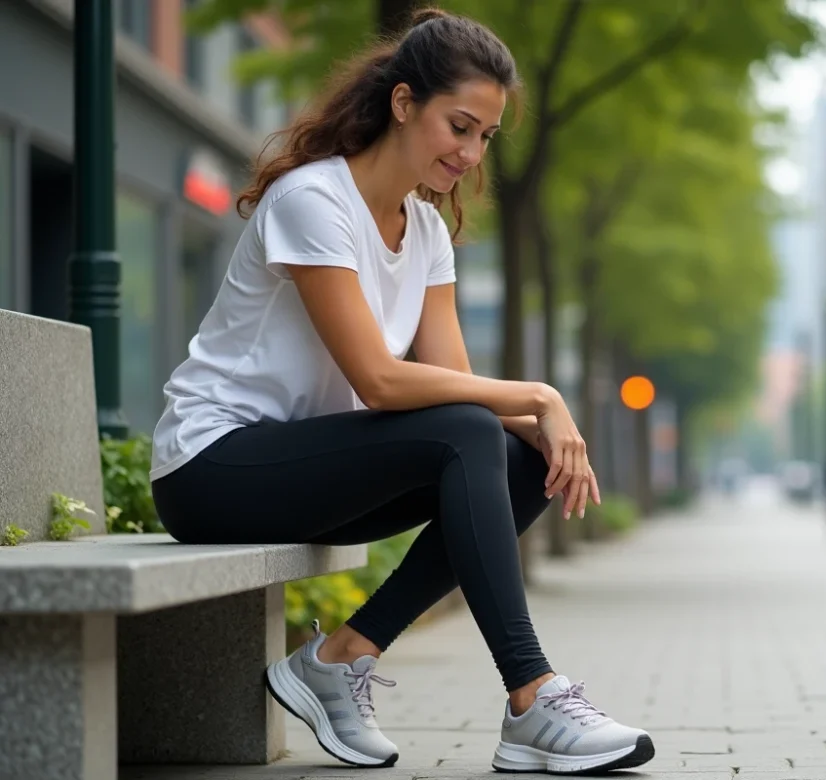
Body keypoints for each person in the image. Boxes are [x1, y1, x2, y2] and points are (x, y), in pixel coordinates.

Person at [149, 9, 653, 775]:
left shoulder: (425, 233)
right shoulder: (314, 202)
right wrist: (543, 397)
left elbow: (455, 390)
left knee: (523, 461)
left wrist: (544, 430)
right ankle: (532, 691)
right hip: (212, 468)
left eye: (486, 136)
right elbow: (380, 383)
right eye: (460, 126)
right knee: (484, 430)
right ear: (403, 102)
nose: (471, 152)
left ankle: (345, 657)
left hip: (308, 470)